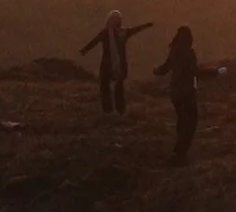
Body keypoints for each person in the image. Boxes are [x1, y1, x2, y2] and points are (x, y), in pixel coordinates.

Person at [79, 11, 154, 114]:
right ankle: (110, 110)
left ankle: (116, 110)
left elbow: (135, 30)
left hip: (114, 65)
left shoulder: (119, 32)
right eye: (115, 19)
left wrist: (146, 25)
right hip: (110, 65)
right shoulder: (113, 33)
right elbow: (94, 42)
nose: (117, 21)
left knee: (115, 87)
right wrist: (85, 50)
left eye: (118, 19)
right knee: (108, 87)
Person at [153, 25, 206, 162]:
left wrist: (156, 70)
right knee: (191, 122)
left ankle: (178, 150)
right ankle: (181, 153)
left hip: (175, 93)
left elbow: (164, 68)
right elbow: (194, 73)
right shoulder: (189, 53)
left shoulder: (174, 51)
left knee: (182, 121)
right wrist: (194, 90)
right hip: (186, 93)